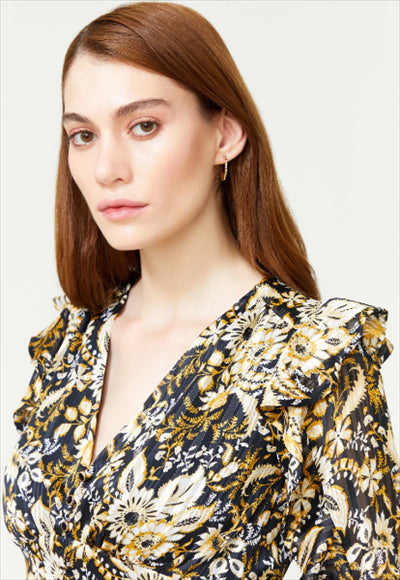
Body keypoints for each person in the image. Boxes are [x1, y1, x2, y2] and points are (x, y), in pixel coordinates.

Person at [3, 2, 399, 579]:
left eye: (144, 126)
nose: (107, 168)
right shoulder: (69, 345)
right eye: (82, 135)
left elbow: (366, 563)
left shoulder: (310, 356)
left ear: (225, 134)